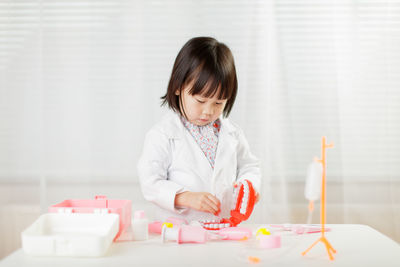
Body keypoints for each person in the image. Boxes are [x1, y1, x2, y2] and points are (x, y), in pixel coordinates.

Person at [137, 37, 261, 222]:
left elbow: (249, 166)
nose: (208, 111)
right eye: (201, 101)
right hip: (180, 232)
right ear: (178, 87)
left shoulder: (232, 133)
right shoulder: (162, 135)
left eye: (219, 103)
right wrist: (185, 197)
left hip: (223, 227)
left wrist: (249, 185)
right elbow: (150, 182)